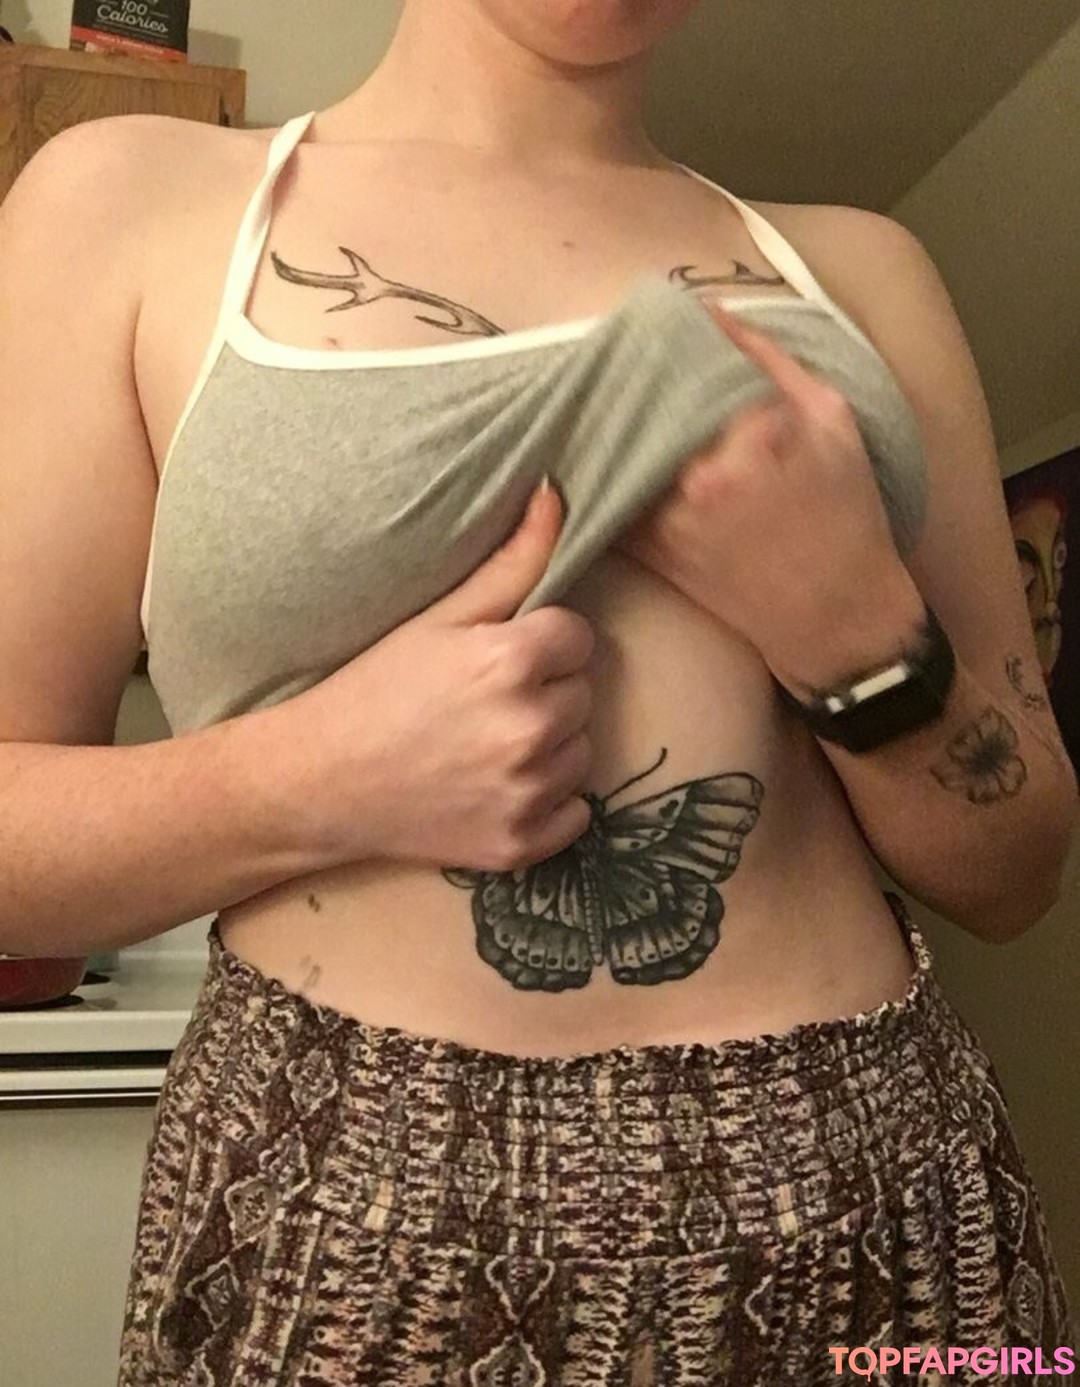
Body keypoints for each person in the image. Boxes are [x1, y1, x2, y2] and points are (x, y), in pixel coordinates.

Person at [1, 1, 1075, 1382]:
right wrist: (316, 779)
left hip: (891, 1197)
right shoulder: (123, 202)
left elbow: (1020, 871)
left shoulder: (866, 268)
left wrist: (858, 632)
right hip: (345, 1210)